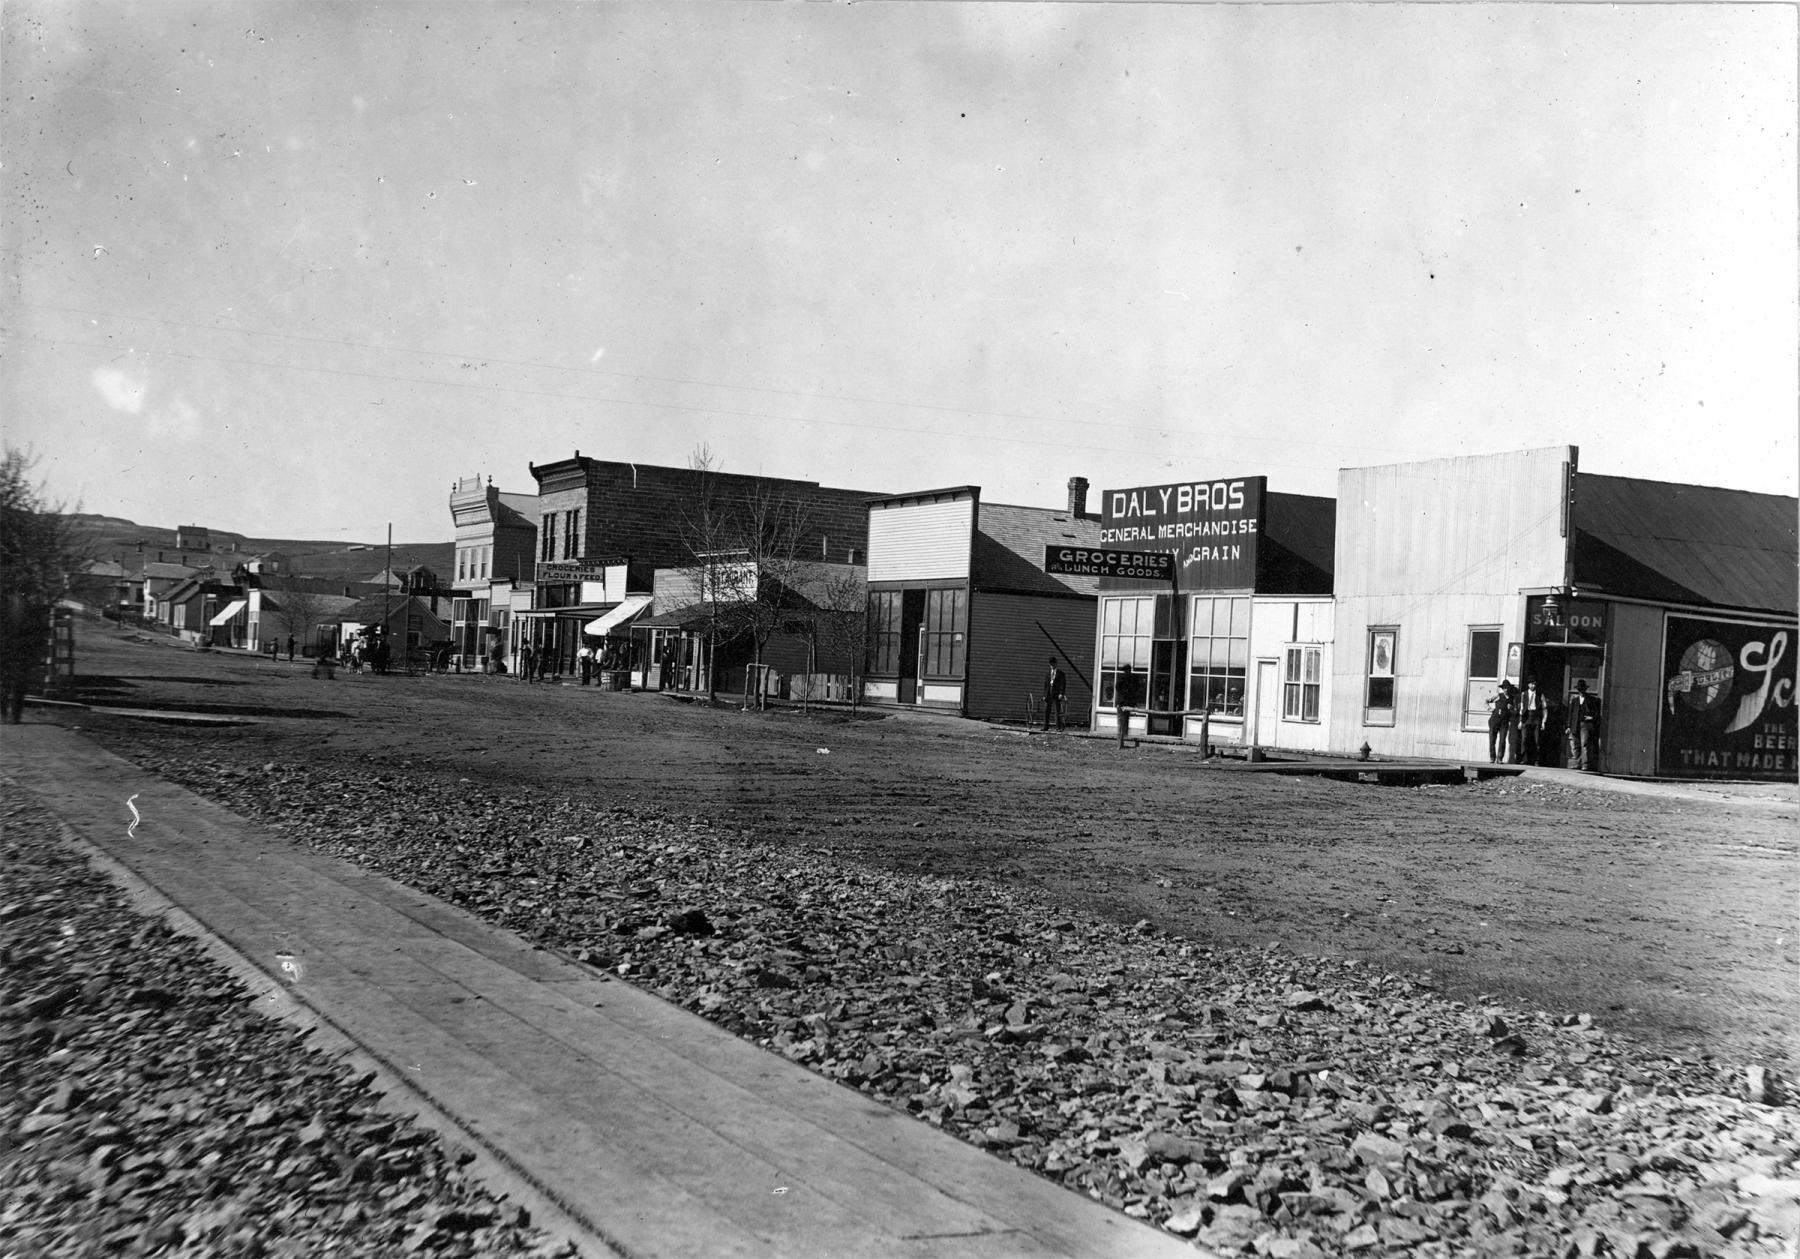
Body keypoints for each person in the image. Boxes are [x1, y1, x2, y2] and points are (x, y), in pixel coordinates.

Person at [1568, 680, 1602, 771]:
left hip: (1585, 725)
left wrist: (1591, 718)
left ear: (1585, 690)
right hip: (1575, 724)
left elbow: (1597, 713)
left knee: (1585, 744)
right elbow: (1570, 714)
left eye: (1582, 689)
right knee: (1576, 745)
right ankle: (1578, 763)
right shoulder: (1574, 700)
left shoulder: (1592, 700)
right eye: (1579, 690)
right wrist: (1568, 726)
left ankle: (1585, 764)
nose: (1581, 691)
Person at [1518, 679, 1549, 765]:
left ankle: (1536, 760)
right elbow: (1521, 707)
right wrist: (1520, 720)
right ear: (1528, 685)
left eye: (1535, 684)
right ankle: (1524, 759)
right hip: (1526, 717)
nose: (1533, 686)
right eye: (1531, 684)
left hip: (1536, 718)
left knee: (1537, 740)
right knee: (1524, 739)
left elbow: (1544, 708)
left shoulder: (1540, 695)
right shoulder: (1524, 694)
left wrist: (1543, 721)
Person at [1486, 680, 1514, 763]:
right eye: (1504, 688)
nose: (1506, 689)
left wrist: (1511, 708)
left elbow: (1516, 710)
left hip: (1504, 722)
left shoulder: (1512, 698)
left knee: (1502, 740)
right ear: (1502, 689)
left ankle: (1500, 758)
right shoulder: (1498, 696)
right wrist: (1489, 709)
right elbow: (1486, 701)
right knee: (1492, 740)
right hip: (1495, 720)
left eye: (1507, 687)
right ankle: (1492, 757)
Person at [1043, 656, 1067, 732]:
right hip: (1048, 694)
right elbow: (1046, 685)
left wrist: (1061, 694)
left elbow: (1063, 685)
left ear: (1056, 664)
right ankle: (1045, 727)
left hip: (1056, 694)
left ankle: (1058, 727)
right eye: (1051, 664)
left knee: (1057, 711)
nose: (1052, 666)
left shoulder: (1061, 674)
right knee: (1047, 711)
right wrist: (1044, 695)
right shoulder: (1047, 674)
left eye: (1053, 664)